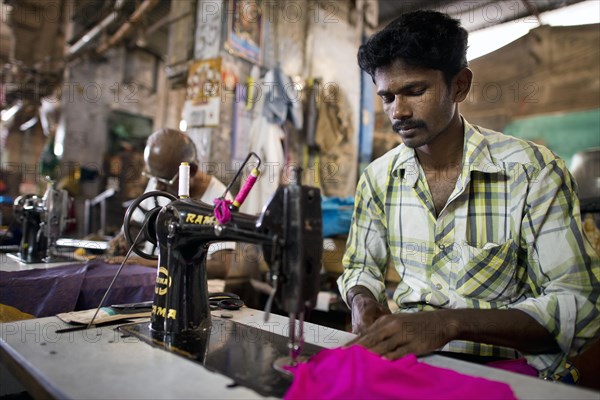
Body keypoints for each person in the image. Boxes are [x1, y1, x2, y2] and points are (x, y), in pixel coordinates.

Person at [337, 10, 599, 381]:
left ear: (459, 86)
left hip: (507, 371)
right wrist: (362, 299)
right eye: (387, 97)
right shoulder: (379, 178)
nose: (399, 112)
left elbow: (580, 306)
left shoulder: (533, 172)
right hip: (412, 367)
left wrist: (450, 324)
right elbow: (360, 266)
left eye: (415, 91)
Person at [107, 128, 234, 278]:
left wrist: (145, 263)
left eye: (164, 181)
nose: (157, 186)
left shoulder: (220, 200)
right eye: (153, 178)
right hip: (149, 280)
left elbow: (220, 267)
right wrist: (124, 239)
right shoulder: (160, 181)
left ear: (191, 171)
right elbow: (139, 224)